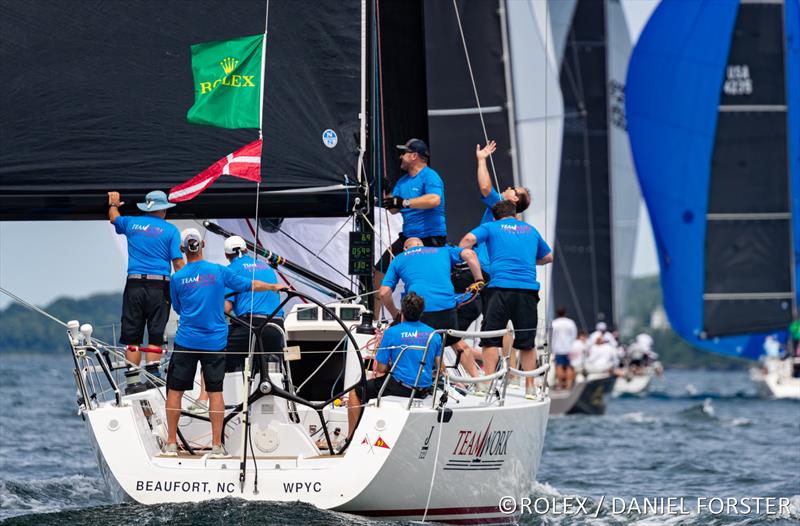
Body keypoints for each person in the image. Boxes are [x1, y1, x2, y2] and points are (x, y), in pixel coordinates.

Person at [162, 228, 286, 457]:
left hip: (187, 340)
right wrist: (272, 287)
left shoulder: (177, 278)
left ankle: (170, 443)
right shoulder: (219, 271)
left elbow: (178, 307)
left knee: (175, 390)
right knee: (215, 391)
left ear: (182, 249)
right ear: (202, 246)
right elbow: (250, 285)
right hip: (214, 342)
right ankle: (217, 446)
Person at [459, 200, 553, 398]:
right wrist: (527, 259)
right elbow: (548, 257)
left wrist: (466, 254)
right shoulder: (530, 230)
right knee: (526, 342)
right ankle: (529, 386)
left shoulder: (491, 226)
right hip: (526, 291)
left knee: (491, 339)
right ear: (516, 215)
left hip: (499, 289)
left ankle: (486, 383)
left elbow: (467, 240)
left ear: (495, 216)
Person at [454, 141, 533, 348]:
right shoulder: (520, 227)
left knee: (438, 295)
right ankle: (503, 368)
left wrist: (481, 160)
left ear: (514, 199)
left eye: (512, 189)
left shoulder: (500, 205)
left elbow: (485, 187)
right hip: (496, 279)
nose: (507, 188)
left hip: (480, 271)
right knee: (497, 325)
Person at [107, 190, 184, 393]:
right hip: (159, 287)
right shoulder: (171, 231)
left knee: (133, 336)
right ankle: (152, 376)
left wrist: (113, 203)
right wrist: (188, 285)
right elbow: (177, 262)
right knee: (156, 334)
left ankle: (132, 382)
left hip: (134, 285)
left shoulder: (131, 223)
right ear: (164, 210)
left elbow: (114, 218)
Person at [378, 237, 484, 377]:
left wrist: (395, 314)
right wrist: (479, 280)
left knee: (400, 342)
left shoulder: (399, 258)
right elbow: (470, 255)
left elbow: (384, 293)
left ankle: (389, 380)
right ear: (422, 245)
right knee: (457, 343)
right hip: (446, 308)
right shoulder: (443, 251)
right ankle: (478, 382)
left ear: (405, 248)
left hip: (419, 311)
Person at [347, 293, 442, 438]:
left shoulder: (392, 332)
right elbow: (441, 367)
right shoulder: (433, 334)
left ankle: (350, 438)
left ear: (401, 312)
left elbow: (380, 369)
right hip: (423, 389)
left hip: (401, 388)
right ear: (421, 312)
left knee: (355, 391)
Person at [375, 139, 447, 314]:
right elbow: (393, 209)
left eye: (404, 153)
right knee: (379, 271)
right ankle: (379, 317)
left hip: (430, 238)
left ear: (414, 156)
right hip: (408, 237)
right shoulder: (403, 182)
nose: (400, 156)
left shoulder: (430, 176)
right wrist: (386, 195)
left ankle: (432, 316)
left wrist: (405, 202)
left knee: (425, 279)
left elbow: (434, 199)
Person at [223, 235, 286, 375]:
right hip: (277, 326)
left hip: (251, 326)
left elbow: (225, 308)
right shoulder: (267, 267)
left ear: (227, 255)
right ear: (246, 250)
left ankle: (208, 396)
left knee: (215, 349)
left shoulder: (231, 270)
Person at [551, 307, 577, 390]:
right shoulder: (570, 322)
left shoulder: (554, 323)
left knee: (559, 366)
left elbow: (551, 337)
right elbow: (574, 335)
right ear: (565, 312)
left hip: (558, 348)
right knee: (569, 366)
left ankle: (561, 384)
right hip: (569, 348)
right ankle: (569, 385)